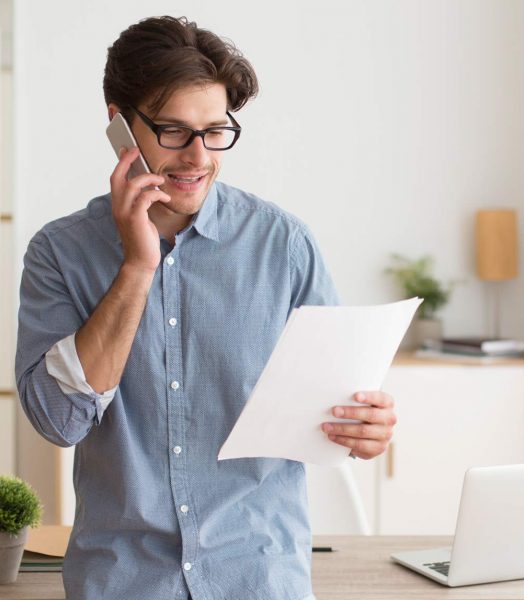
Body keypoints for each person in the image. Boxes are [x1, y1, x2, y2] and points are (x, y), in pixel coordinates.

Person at [14, 16, 396, 600]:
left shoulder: (284, 246)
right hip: (122, 584)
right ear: (119, 125)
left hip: (260, 578)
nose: (198, 157)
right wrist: (137, 267)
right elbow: (59, 422)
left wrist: (364, 430)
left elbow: (336, 413)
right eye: (173, 131)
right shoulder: (60, 253)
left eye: (215, 131)